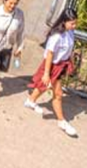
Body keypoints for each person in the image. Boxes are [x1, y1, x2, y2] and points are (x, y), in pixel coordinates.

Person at [24, 8, 79, 137]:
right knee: (58, 94)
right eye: (72, 23)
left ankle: (31, 100)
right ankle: (61, 121)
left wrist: (71, 62)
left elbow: (70, 49)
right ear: (64, 22)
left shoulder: (70, 32)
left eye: (75, 23)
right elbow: (49, 54)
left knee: (44, 86)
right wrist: (46, 73)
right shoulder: (56, 36)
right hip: (54, 65)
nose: (74, 26)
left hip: (61, 64)